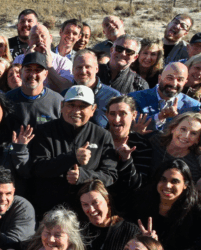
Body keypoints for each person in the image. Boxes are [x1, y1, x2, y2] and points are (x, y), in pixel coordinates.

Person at [25, 85, 118, 216]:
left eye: (82, 106)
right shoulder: (44, 131)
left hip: (87, 214)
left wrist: (83, 177)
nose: (76, 111)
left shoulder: (102, 135)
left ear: (93, 109)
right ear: (62, 106)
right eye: (71, 105)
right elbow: (37, 168)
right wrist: (72, 157)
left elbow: (110, 175)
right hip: (49, 211)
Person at [131, 159, 201, 250]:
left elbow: (184, 245)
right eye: (163, 180)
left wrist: (155, 246)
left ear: (185, 185)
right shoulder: (142, 199)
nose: (167, 186)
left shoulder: (195, 211)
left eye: (175, 181)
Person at [76, 180, 140, 250]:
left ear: (107, 201)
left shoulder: (128, 230)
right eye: (85, 204)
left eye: (95, 202)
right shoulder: (81, 230)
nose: (91, 209)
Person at [127, 62, 201, 130]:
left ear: (185, 82)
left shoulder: (192, 106)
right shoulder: (135, 98)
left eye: (180, 80)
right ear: (159, 79)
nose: (174, 83)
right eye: (169, 78)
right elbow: (131, 124)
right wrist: (160, 117)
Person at [6, 52, 64, 127]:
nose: (32, 75)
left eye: (37, 70)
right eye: (28, 70)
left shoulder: (58, 102)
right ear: (20, 73)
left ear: (45, 74)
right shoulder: (7, 99)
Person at [71, 49, 120, 128]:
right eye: (79, 67)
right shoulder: (65, 95)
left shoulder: (112, 96)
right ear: (73, 70)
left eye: (88, 67)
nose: (83, 71)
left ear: (96, 69)